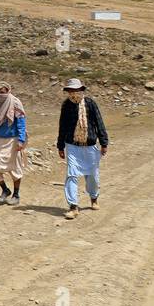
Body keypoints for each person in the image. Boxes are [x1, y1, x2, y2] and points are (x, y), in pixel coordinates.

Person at [55, 77, 108, 220]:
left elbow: (99, 122)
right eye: (71, 90)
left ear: (81, 90)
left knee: (92, 176)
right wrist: (60, 146)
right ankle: (73, 206)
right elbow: (62, 126)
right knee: (71, 174)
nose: (73, 93)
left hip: (90, 145)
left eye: (76, 90)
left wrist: (104, 143)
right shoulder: (66, 105)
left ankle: (94, 197)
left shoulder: (90, 104)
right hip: (72, 146)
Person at [0, 80, 27, 205]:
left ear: (8, 91)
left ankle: (16, 194)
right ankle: (5, 190)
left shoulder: (15, 102)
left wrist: (21, 140)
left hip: (12, 140)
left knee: (15, 168)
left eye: (2, 91)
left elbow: (21, 122)